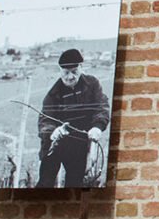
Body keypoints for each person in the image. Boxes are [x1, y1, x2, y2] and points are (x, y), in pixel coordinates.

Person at [37, 48, 110, 187]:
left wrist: (97, 126)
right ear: (60, 71)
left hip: (80, 143)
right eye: (66, 73)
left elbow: (102, 106)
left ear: (81, 68)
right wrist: (53, 133)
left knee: (75, 183)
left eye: (74, 72)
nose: (70, 77)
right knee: (45, 182)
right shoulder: (53, 94)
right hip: (55, 143)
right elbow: (45, 120)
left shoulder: (92, 84)